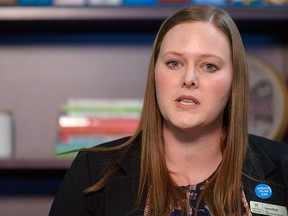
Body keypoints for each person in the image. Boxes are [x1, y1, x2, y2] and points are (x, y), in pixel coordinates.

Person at [49, 4, 288, 216]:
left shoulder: (284, 166)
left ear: (234, 81)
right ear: (155, 73)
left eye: (209, 66)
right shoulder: (93, 171)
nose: (189, 79)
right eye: (174, 63)